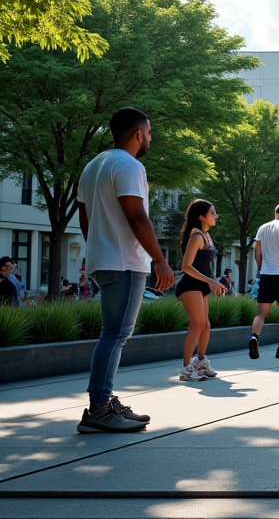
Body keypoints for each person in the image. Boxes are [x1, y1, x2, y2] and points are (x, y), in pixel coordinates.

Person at [75, 108, 174, 433]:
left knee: (112, 332)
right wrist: (159, 258)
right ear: (137, 134)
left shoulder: (93, 166)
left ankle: (104, 400)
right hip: (124, 262)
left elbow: (85, 217)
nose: (150, 138)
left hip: (103, 259)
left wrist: (97, 249)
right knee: (115, 334)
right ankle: (99, 409)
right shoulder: (130, 165)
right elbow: (136, 215)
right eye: (149, 132)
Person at [174, 199, 227, 381]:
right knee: (197, 325)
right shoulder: (196, 236)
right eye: (212, 213)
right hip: (190, 285)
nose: (216, 216)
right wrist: (210, 281)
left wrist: (213, 282)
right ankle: (186, 368)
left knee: (205, 325)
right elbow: (186, 266)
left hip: (201, 285)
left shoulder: (206, 235)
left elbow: (204, 265)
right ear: (201, 217)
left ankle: (201, 361)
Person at [249, 204, 279, 361]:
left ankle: (254, 337)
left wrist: (261, 267)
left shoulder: (262, 228)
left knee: (261, 313)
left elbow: (257, 251)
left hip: (266, 275)